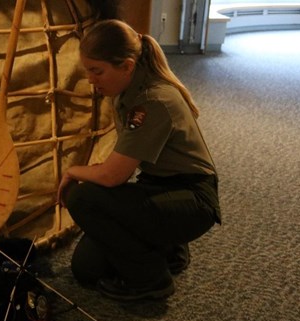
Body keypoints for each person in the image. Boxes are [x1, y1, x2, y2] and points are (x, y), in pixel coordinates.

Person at [57, 19, 221, 301]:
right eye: (88, 70)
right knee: (87, 269)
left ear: (127, 66)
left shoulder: (152, 101)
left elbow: (113, 176)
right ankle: (169, 248)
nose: (91, 79)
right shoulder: (127, 89)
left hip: (191, 200)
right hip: (159, 186)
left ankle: (151, 280)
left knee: (81, 197)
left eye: (97, 71)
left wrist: (73, 171)